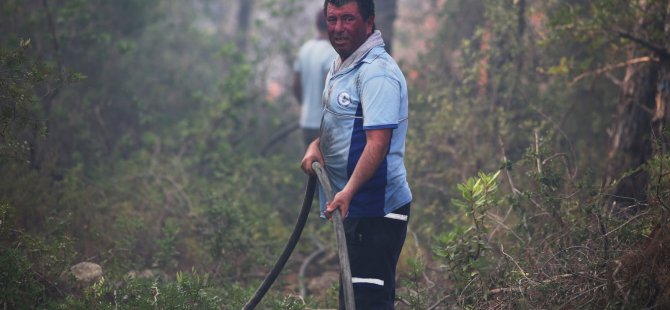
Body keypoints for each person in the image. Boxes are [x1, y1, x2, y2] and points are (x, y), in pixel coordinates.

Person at [300, 0, 411, 308]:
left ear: (369, 21)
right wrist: (316, 146)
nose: (338, 28)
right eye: (332, 19)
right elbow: (341, 125)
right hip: (354, 206)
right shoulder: (343, 66)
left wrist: (347, 192)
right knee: (355, 297)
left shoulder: (377, 73)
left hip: (376, 209)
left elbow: (378, 142)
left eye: (348, 19)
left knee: (365, 300)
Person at [293, 9, 337, 148]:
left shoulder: (305, 49)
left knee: (311, 166)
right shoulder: (331, 53)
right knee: (329, 168)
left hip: (306, 124)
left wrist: (306, 105)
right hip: (325, 127)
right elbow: (329, 91)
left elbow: (295, 85)